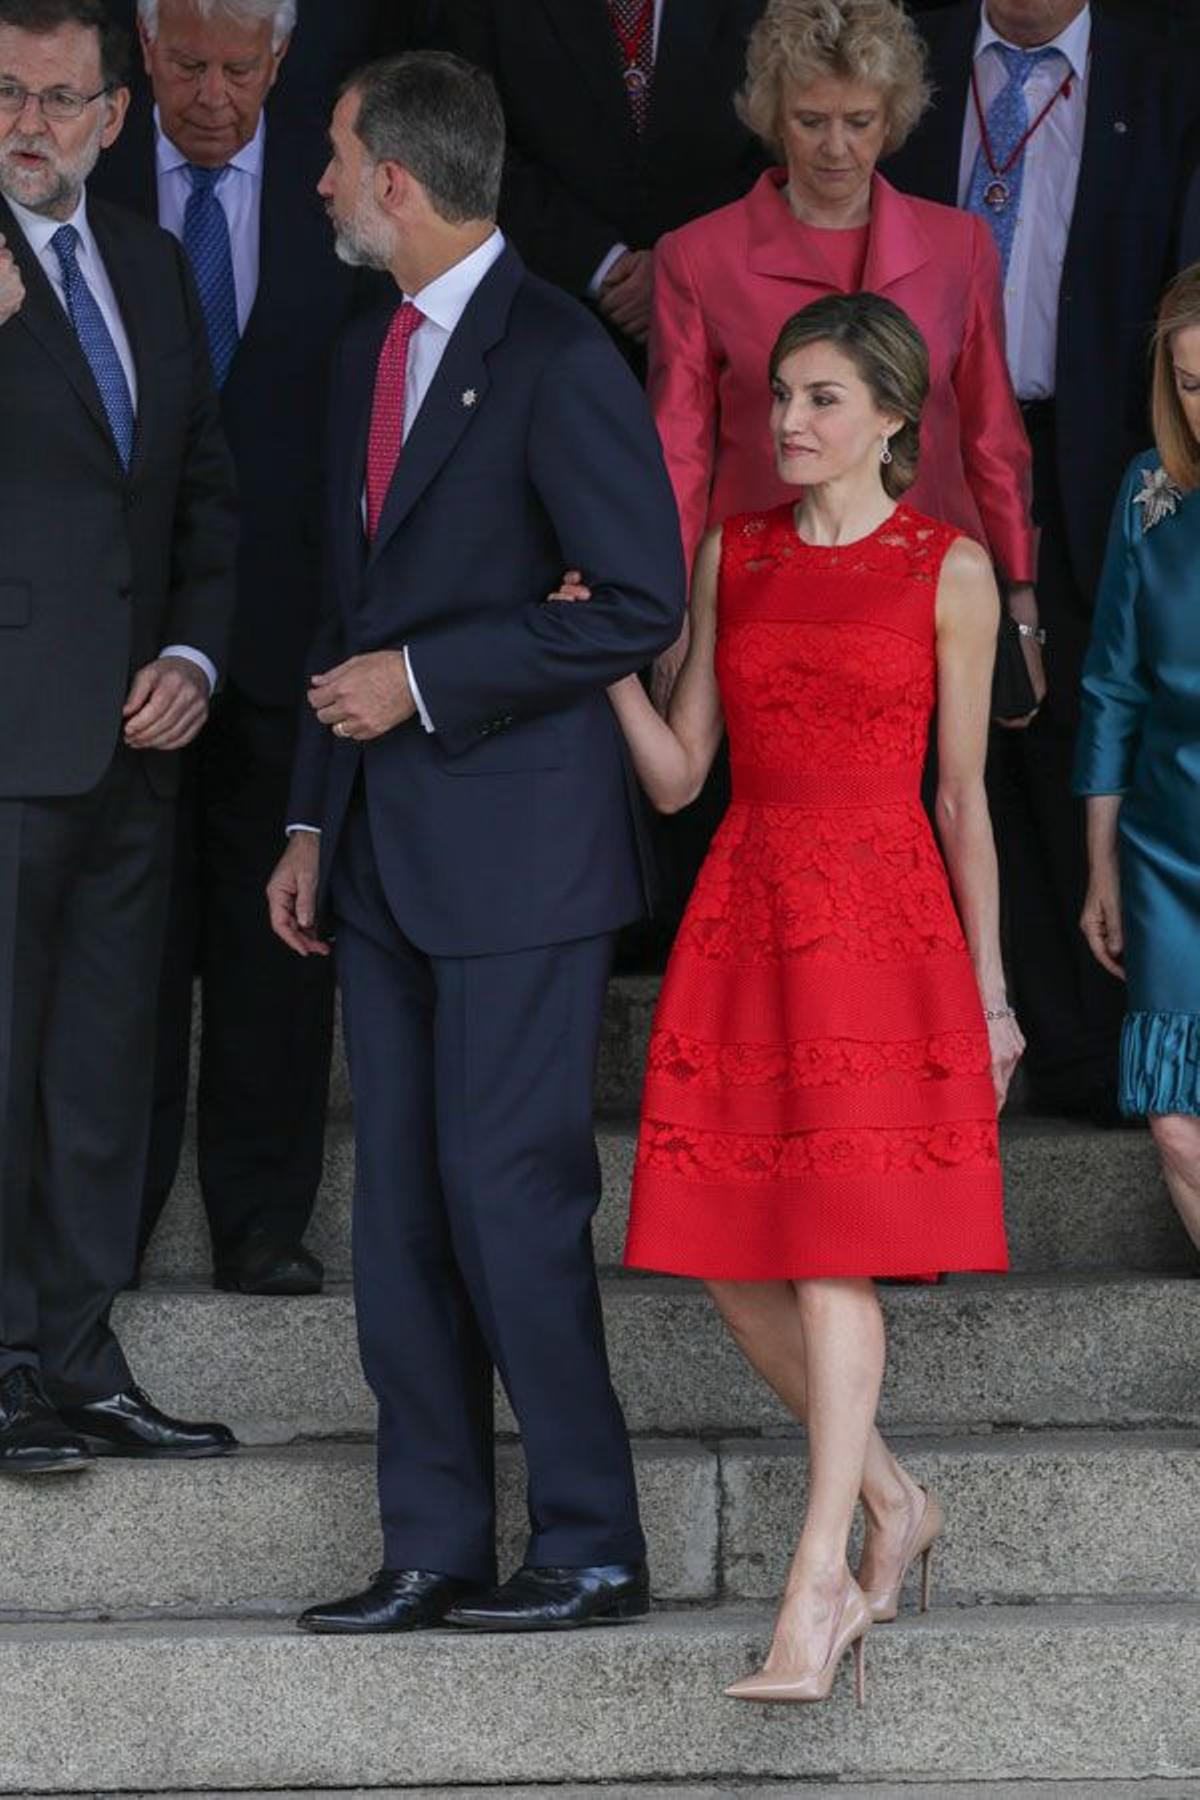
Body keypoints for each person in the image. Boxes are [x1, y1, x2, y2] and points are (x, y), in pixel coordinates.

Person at [266, 51, 685, 1634]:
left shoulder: (560, 351)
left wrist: (429, 682)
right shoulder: (363, 350)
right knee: (400, 1220)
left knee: (510, 1199)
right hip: (375, 854)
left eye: (333, 154)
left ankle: (588, 1544)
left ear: (396, 179)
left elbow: (638, 598)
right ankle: (431, 1546)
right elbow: (342, 613)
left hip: (520, 863)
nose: (318, 182)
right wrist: (311, 810)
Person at [556, 292, 1019, 1699]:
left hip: (884, 922)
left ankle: (817, 1587)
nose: (791, 424)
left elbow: (962, 796)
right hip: (750, 912)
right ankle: (891, 1498)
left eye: (823, 399)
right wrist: (602, 667)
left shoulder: (951, 568)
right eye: (780, 400)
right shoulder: (729, 556)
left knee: (831, 1247)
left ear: (893, 415)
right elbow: (681, 774)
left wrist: (991, 993)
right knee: (721, 1248)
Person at [90, 0, 391, 1298]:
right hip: (114, 643)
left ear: (283, 61)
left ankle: (261, 1218)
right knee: (125, 945)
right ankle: (116, 1215)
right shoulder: (82, 174)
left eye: (239, 70)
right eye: (189, 67)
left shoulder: (343, 192)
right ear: (144, 55)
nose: (213, 97)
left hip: (288, 630)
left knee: (279, 942)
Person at [885, 0, 1200, 1121]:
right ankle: (965, 1028)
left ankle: (1080, 1045)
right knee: (937, 740)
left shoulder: (1167, 70)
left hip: (1094, 457)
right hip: (915, 460)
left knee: (1067, 726)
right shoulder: (904, 52)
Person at [0, 0, 237, 1471]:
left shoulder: (147, 261)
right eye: (7, 93)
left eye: (60, 98)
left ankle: (81, 1359)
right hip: (7, 746)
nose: (30, 122)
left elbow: (206, 489)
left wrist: (200, 655)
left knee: (99, 1073)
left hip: (135, 746)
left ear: (114, 115)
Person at [650, 0, 1035, 669]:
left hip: (931, 595)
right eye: (810, 121)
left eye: (859, 122)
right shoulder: (696, 256)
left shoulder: (960, 247)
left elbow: (991, 436)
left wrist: (1022, 605)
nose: (836, 147)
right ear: (773, 118)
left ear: (892, 121)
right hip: (760, 594)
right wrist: (671, 610)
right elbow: (678, 455)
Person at [1075, 264, 1200, 1249]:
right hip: (1167, 848)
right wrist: (1101, 865)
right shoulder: (1149, 493)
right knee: (1176, 1126)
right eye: (1189, 383)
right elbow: (1113, 687)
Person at [443, 0, 768, 368]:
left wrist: (680, 266)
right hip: (546, 331)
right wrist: (603, 265)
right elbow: (470, 146)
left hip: (725, 334)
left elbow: (775, 145)